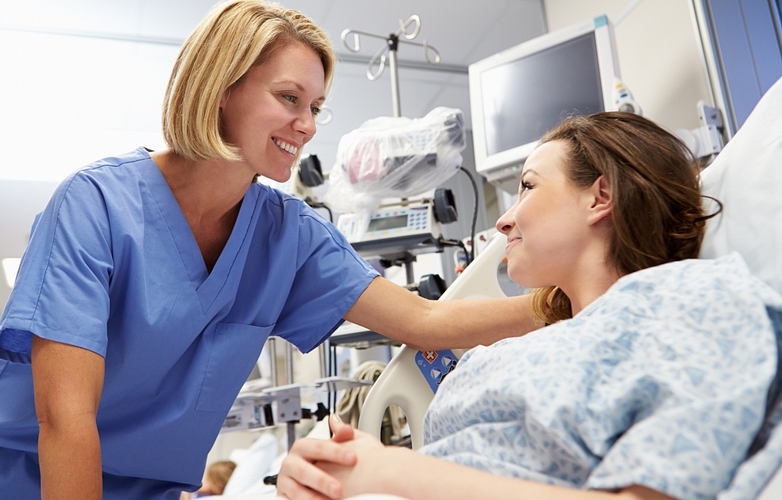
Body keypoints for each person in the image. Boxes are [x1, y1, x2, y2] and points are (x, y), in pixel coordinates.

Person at [0, 1, 537, 499]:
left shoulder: (288, 235)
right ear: (221, 88)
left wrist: (575, 299)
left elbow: (425, 320)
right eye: (289, 98)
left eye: (316, 106)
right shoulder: (96, 204)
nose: (308, 125)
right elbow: (66, 418)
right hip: (15, 474)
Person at [276, 112, 782, 500]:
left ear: (599, 196)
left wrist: (389, 471)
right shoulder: (508, 354)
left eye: (528, 186)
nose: (504, 220)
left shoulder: (693, 302)